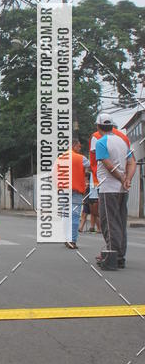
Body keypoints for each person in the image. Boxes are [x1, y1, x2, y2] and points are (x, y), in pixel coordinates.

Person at [95, 115, 136, 270]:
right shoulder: (122, 142)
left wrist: (120, 178)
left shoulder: (100, 142)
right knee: (120, 221)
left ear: (98, 127)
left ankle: (113, 256)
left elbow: (107, 164)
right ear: (112, 126)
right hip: (122, 190)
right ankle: (120, 256)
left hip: (108, 189)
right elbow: (132, 163)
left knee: (110, 222)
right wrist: (128, 180)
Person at [55, 136, 89, 249]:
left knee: (65, 215)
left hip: (63, 191)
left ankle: (66, 239)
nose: (80, 148)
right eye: (79, 146)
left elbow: (53, 173)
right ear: (74, 146)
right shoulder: (81, 158)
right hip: (76, 191)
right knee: (74, 216)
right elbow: (93, 166)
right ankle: (72, 240)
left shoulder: (60, 158)